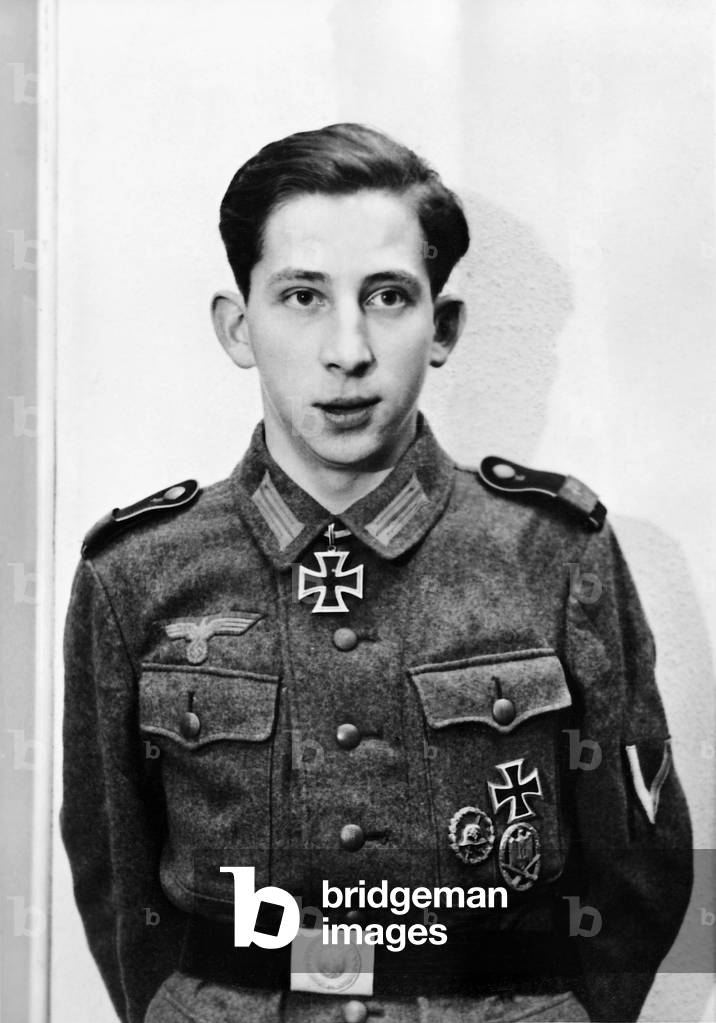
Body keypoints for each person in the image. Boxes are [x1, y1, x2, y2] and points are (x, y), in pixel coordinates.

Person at [61, 123, 693, 1023]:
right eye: (303, 296)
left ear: (443, 326)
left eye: (388, 296)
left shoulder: (553, 553)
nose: (348, 349)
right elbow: (117, 877)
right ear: (238, 326)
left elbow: (643, 869)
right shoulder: (137, 572)